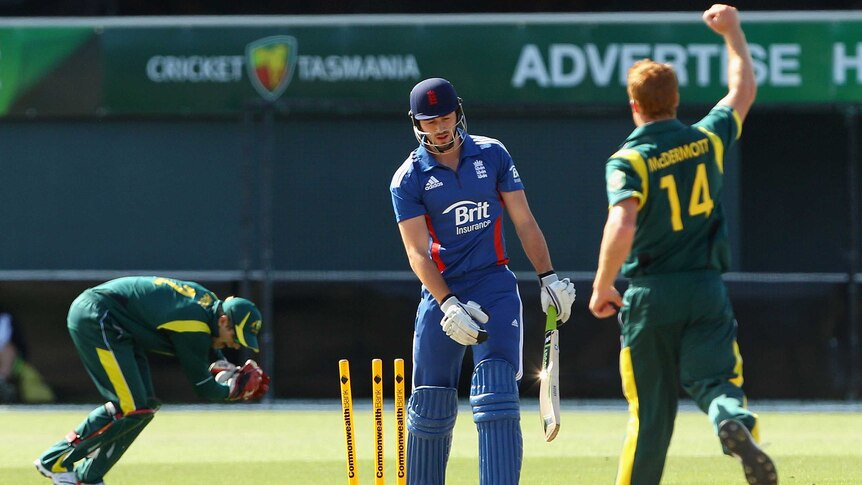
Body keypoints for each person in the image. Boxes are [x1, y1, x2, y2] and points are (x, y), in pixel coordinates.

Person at [588, 5, 777, 485]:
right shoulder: (707, 139)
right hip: (705, 290)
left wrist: (603, 284)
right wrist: (733, 32)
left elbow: (622, 224)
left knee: (650, 417)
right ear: (675, 101)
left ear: (635, 105)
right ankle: (728, 420)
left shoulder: (628, 160)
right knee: (718, 383)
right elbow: (743, 90)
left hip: (651, 295)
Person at [390, 77, 576, 485]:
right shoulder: (408, 179)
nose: (438, 127)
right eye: (429, 121)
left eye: (444, 116)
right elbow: (417, 253)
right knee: (430, 405)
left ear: (458, 111)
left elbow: (524, 221)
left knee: (496, 392)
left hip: (493, 285)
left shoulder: (492, 154)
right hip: (442, 292)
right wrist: (447, 303)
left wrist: (548, 277)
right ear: (416, 124)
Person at [33, 276, 270, 485]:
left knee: (143, 407)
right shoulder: (194, 325)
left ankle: (88, 477)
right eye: (235, 336)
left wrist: (222, 365)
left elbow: (208, 350)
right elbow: (204, 388)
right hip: (98, 316)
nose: (237, 344)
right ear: (223, 321)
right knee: (132, 407)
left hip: (119, 326)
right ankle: (54, 461)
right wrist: (234, 389)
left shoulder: (208, 307)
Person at [0, 310, 56, 404]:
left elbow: (18, 347)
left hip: (10, 366)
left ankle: (2, 382)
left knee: (8, 350)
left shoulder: (6, 318)